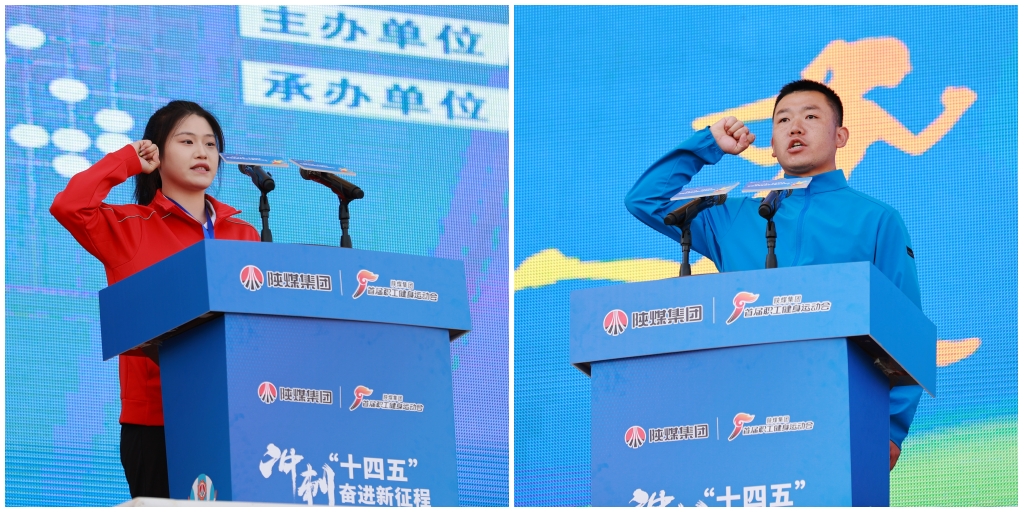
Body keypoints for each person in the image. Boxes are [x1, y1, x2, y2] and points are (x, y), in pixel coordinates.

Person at [625, 79, 922, 471]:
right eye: (783, 120)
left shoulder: (876, 219)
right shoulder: (732, 216)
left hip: (840, 418)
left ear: (840, 136)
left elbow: (904, 326)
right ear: (772, 143)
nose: (794, 127)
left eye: (810, 117)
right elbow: (645, 201)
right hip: (742, 418)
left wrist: (890, 428)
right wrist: (708, 145)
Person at [50, 101, 260, 497]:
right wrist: (127, 160)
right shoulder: (129, 227)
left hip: (233, 417)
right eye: (187, 141)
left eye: (210, 144)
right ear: (157, 153)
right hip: (156, 423)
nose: (202, 152)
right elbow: (70, 205)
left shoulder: (243, 233)